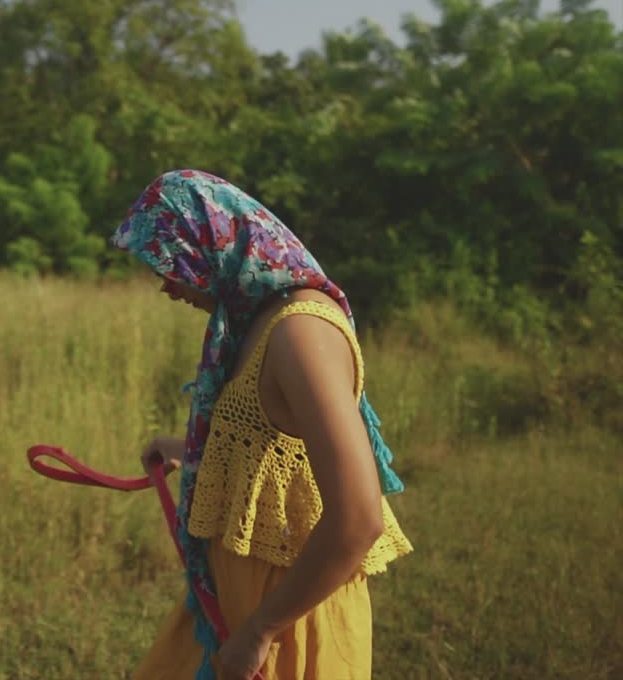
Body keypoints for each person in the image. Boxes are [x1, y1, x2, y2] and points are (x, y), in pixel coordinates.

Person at [113, 170, 414, 680]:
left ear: (213, 246)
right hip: (230, 614)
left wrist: (261, 632)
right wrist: (185, 449)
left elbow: (359, 518)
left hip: (287, 629)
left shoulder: (300, 333)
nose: (165, 286)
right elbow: (272, 454)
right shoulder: (256, 321)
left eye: (170, 264)